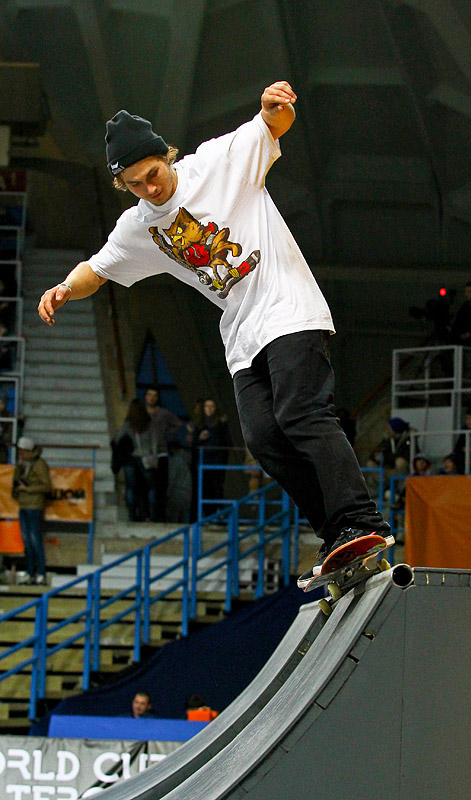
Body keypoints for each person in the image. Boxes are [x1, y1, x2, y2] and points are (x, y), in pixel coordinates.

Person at [37, 80, 389, 580]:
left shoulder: (221, 160)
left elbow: (271, 126)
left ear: (166, 156)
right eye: (136, 184)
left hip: (289, 307)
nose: (150, 188)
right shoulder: (139, 227)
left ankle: (359, 518)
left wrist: (277, 108)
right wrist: (65, 289)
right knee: (264, 437)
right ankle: (337, 536)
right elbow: (98, 268)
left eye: (153, 174)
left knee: (301, 413)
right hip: (243, 335)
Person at [11, 436, 51, 585]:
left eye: (22, 452)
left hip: (34, 506)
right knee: (26, 541)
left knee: (35, 540)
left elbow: (46, 486)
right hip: (23, 505)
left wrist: (28, 489)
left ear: (29, 451)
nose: (20, 455)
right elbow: (16, 482)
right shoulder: (23, 464)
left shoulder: (39, 465)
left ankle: (40, 573)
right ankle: (30, 573)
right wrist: (18, 469)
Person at [112, 399, 159, 521]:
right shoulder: (149, 424)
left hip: (131, 459)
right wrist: (154, 456)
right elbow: (154, 442)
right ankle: (152, 515)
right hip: (147, 458)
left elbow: (117, 440)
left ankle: (131, 515)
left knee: (130, 488)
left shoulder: (128, 425)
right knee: (151, 488)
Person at [144, 386, 185, 520]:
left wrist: (165, 434)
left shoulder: (163, 413)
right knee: (147, 486)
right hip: (145, 453)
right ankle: (147, 515)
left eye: (154, 395)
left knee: (161, 486)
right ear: (146, 397)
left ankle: (159, 515)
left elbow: (179, 424)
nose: (152, 398)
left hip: (161, 452)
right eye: (150, 395)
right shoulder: (141, 413)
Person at [194, 398, 232, 514]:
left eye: (212, 406)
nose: (209, 409)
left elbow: (228, 442)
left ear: (216, 409)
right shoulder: (199, 424)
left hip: (217, 461)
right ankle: (207, 514)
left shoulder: (221, 424)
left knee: (217, 488)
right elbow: (194, 443)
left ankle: (218, 513)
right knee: (205, 489)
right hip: (204, 460)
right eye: (207, 406)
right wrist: (200, 438)